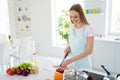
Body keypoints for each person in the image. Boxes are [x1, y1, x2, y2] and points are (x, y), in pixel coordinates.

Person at [61, 4, 94, 69]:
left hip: (84, 64)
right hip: (72, 63)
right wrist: (68, 47)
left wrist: (71, 59)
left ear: (81, 15)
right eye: (71, 17)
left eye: (75, 17)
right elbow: (70, 42)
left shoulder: (88, 29)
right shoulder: (71, 27)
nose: (73, 19)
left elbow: (89, 51)